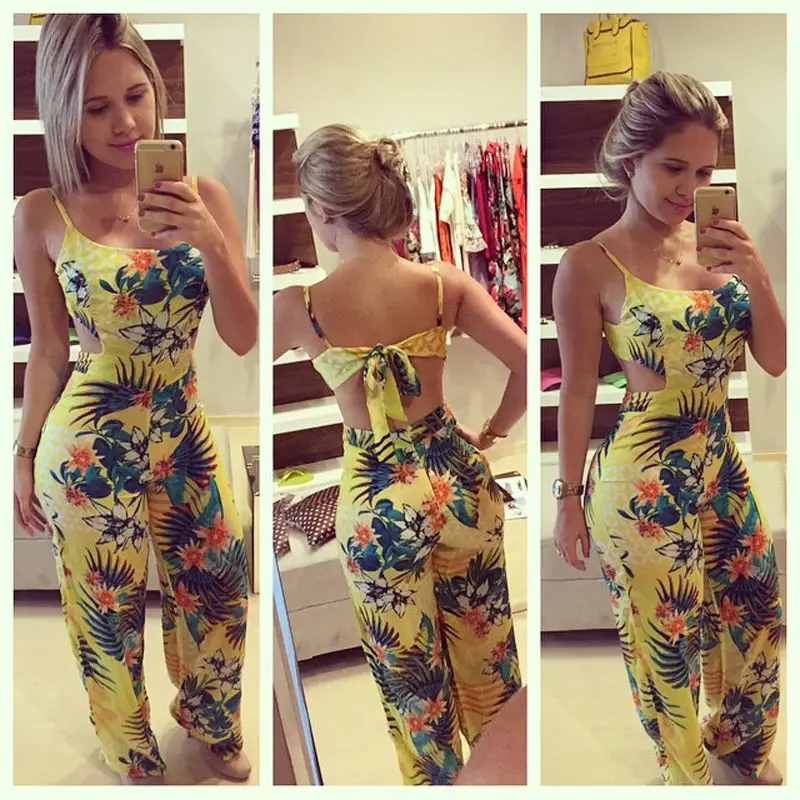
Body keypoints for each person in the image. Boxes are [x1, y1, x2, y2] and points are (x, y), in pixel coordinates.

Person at [13, 14, 257, 784]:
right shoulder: (41, 213)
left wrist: (209, 240)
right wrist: (22, 453)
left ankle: (211, 718)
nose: (125, 123)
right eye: (97, 107)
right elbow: (48, 348)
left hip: (184, 431)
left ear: (157, 91)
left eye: (136, 95)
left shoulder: (204, 196)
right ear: (64, 112)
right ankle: (132, 751)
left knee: (221, 587)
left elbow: (244, 336)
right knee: (106, 618)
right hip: (88, 452)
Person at [273, 123, 527, 786]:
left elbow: (237, 354)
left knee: (412, 684)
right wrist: (493, 431)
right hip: (458, 481)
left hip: (377, 505)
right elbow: (529, 362)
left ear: (323, 210)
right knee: (489, 664)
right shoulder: (444, 285)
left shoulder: (300, 306)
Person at [552, 71, 785, 786]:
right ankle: (685, 774)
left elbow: (775, 360)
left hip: (720, 461)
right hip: (643, 482)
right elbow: (579, 390)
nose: (690, 188)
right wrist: (567, 498)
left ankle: (739, 743)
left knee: (759, 610)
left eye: (705, 172)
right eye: (673, 168)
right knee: (669, 644)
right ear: (630, 161)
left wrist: (758, 276)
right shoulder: (588, 264)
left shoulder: (718, 249)